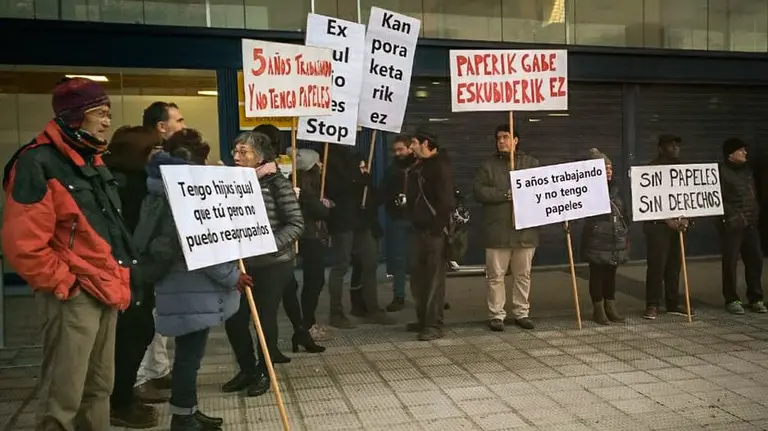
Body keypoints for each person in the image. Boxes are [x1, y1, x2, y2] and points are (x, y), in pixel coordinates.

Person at [2, 77, 136, 430]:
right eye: (100, 113)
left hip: (106, 285)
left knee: (99, 387)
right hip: (75, 293)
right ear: (75, 115)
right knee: (64, 394)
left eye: (108, 113)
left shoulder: (92, 158)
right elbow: (23, 243)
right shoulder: (37, 162)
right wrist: (66, 284)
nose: (107, 121)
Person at [223, 131, 304, 397]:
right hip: (240, 264)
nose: (236, 156)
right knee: (234, 319)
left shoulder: (276, 183)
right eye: (235, 151)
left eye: (243, 152)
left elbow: (296, 224)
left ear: (259, 157)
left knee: (264, 319)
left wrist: (268, 244)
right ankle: (247, 369)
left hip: (273, 264)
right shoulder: (230, 182)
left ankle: (264, 372)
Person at [104, 126, 165, 427]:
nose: (160, 154)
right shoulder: (124, 184)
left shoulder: (136, 179)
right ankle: (119, 402)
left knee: (139, 332)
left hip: (137, 271)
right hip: (125, 272)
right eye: (154, 149)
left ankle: (123, 395)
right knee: (131, 335)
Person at [134, 100, 186, 401]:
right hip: (150, 249)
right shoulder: (156, 160)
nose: (183, 125)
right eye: (178, 120)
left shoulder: (166, 157)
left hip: (160, 249)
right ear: (161, 126)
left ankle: (158, 370)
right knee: (143, 317)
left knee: (159, 312)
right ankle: (139, 378)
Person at [473, 124, 539, 331]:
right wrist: (504, 194)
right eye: (498, 138)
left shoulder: (530, 163)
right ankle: (496, 314)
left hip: (525, 230)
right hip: (497, 231)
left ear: (515, 140)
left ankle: (522, 312)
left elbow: (542, 190)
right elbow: (479, 191)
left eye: (505, 137)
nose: (501, 141)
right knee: (495, 276)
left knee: (523, 275)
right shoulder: (487, 166)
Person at [325, 145, 394, 328]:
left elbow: (370, 193)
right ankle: (336, 312)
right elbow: (334, 189)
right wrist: (358, 180)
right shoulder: (330, 160)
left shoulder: (354, 159)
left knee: (370, 262)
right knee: (341, 265)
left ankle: (371, 308)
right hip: (343, 221)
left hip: (362, 220)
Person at [405, 131, 455, 341]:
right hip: (418, 230)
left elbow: (446, 202)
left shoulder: (439, 167)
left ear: (425, 143)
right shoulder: (418, 166)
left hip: (433, 232)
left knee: (433, 279)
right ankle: (423, 319)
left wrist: (436, 229)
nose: (411, 147)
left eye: (414, 143)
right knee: (419, 279)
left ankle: (433, 324)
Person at [643, 134, 694, 320]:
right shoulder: (651, 170)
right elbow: (647, 200)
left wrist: (687, 218)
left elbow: (689, 197)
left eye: (677, 145)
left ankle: (673, 302)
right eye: (671, 146)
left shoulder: (682, 169)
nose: (676, 148)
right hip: (658, 226)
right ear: (661, 148)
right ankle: (652, 304)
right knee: (657, 266)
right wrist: (666, 219)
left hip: (679, 224)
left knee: (674, 265)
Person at [283, 148, 331, 348]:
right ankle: (307, 324)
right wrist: (325, 206)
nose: (321, 165)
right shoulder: (306, 191)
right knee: (314, 281)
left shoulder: (292, 184)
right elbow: (321, 212)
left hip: (298, 237)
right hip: (309, 238)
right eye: (318, 162)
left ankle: (304, 326)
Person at [580, 149, 628, 325]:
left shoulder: (617, 188)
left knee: (611, 274)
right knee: (597, 274)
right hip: (597, 239)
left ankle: (610, 307)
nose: (609, 171)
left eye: (610, 168)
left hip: (615, 238)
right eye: (604, 168)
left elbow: (625, 211)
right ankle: (598, 310)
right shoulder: (587, 189)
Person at [719, 138, 766, 314]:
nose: (745, 153)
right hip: (732, 225)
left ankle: (756, 298)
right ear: (730, 154)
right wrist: (734, 216)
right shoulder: (721, 172)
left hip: (751, 224)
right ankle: (732, 299)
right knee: (730, 263)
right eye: (741, 150)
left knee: (755, 260)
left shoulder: (748, 171)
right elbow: (718, 199)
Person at [382, 134, 417, 312]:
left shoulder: (420, 167)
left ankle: (428, 296)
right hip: (398, 218)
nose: (397, 153)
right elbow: (384, 191)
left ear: (410, 148)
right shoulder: (392, 169)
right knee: (398, 260)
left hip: (418, 219)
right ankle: (399, 296)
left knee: (421, 259)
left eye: (401, 149)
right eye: (395, 150)